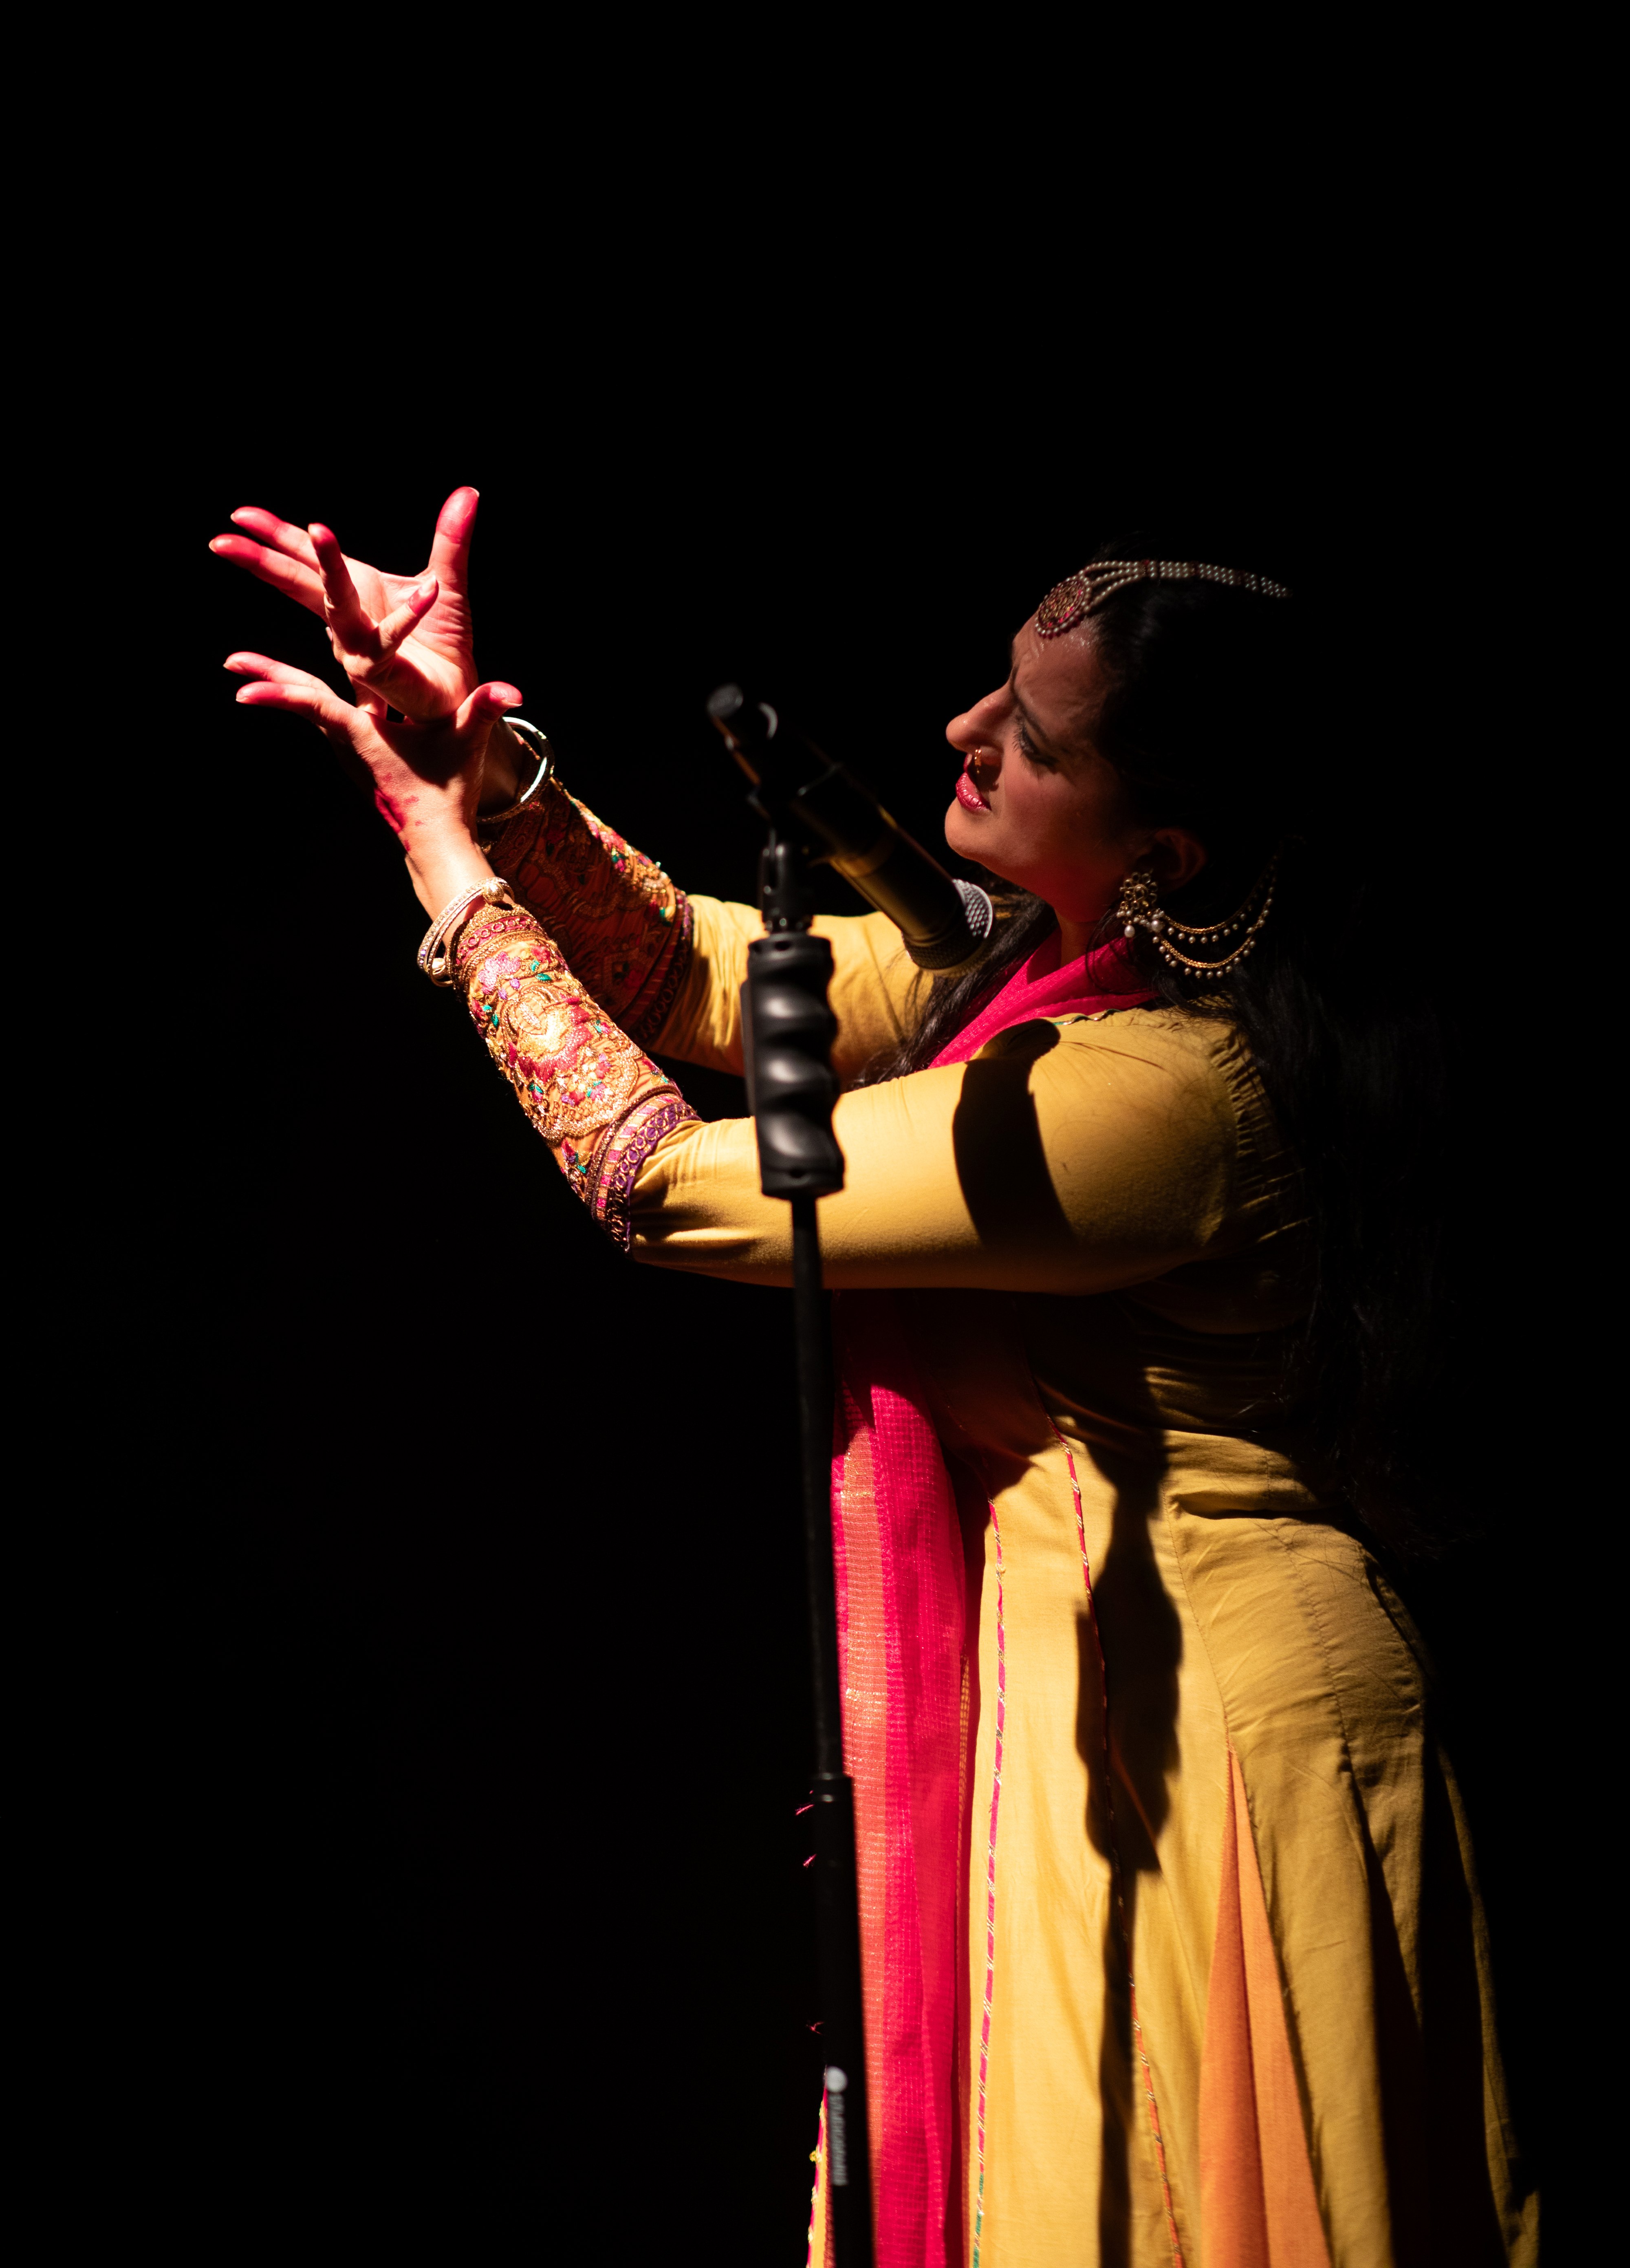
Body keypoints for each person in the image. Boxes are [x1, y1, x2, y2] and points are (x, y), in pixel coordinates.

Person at [211, 491, 1535, 2268]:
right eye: (995, 685)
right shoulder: (1031, 971)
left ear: (1167, 849)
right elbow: (691, 970)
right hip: (1096, 1661)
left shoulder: (1168, 1093)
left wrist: (448, 874)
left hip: (1210, 1720)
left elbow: (672, 1186)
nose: (961, 735)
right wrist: (482, 758)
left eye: (1033, 738)